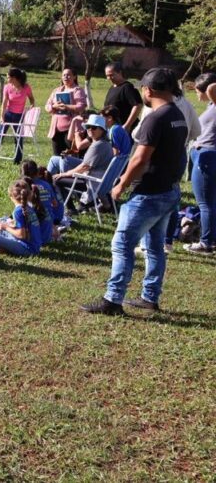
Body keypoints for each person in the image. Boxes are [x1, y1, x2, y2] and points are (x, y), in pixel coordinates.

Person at [81, 68, 187, 315]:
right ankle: (150, 297)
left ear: (148, 90)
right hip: (168, 191)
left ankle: (112, 300)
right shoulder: (177, 114)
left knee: (121, 245)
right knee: (154, 247)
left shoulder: (155, 118)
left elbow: (139, 159)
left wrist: (121, 185)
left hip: (148, 194)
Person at [52, 114, 114, 210]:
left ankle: (71, 209)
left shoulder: (97, 145)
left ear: (102, 130)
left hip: (92, 182)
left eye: (94, 128)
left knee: (57, 180)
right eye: (88, 127)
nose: (90, 130)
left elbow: (84, 167)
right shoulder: (104, 142)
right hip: (101, 181)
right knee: (64, 160)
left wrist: (65, 174)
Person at [186, 72, 216, 254]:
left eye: (198, 91)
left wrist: (210, 85)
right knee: (211, 202)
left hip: (207, 155)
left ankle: (206, 243)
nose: (197, 95)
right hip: (204, 152)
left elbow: (212, 88)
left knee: (205, 203)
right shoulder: (212, 105)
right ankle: (210, 238)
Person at [0, 67, 35, 164]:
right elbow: (4, 103)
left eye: (8, 77)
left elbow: (31, 99)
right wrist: (2, 116)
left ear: (15, 78)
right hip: (8, 114)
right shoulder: (7, 87)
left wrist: (31, 107)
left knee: (18, 138)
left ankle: (17, 160)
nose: (7, 78)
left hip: (19, 116)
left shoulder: (26, 87)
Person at [0, 180, 42, 256]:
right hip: (35, 247)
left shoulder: (18, 211)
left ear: (11, 197)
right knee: (3, 220)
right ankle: (3, 249)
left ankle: (0, 249)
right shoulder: (28, 207)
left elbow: (21, 235)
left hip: (27, 248)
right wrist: (9, 224)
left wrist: (5, 227)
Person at [45, 69, 87, 156]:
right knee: (56, 155)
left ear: (74, 77)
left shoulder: (77, 90)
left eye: (68, 75)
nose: (65, 77)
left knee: (72, 154)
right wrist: (54, 107)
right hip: (56, 129)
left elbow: (81, 106)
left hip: (71, 129)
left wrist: (67, 106)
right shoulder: (56, 90)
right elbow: (47, 106)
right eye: (63, 75)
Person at [23, 160, 63, 240]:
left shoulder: (24, 186)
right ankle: (54, 231)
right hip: (49, 225)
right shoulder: (46, 184)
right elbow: (55, 204)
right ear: (37, 172)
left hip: (36, 237)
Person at [103, 62, 143, 131]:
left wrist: (127, 125)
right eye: (107, 76)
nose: (109, 78)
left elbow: (138, 105)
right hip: (113, 129)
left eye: (111, 75)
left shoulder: (127, 87)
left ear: (120, 73)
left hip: (125, 130)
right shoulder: (112, 88)